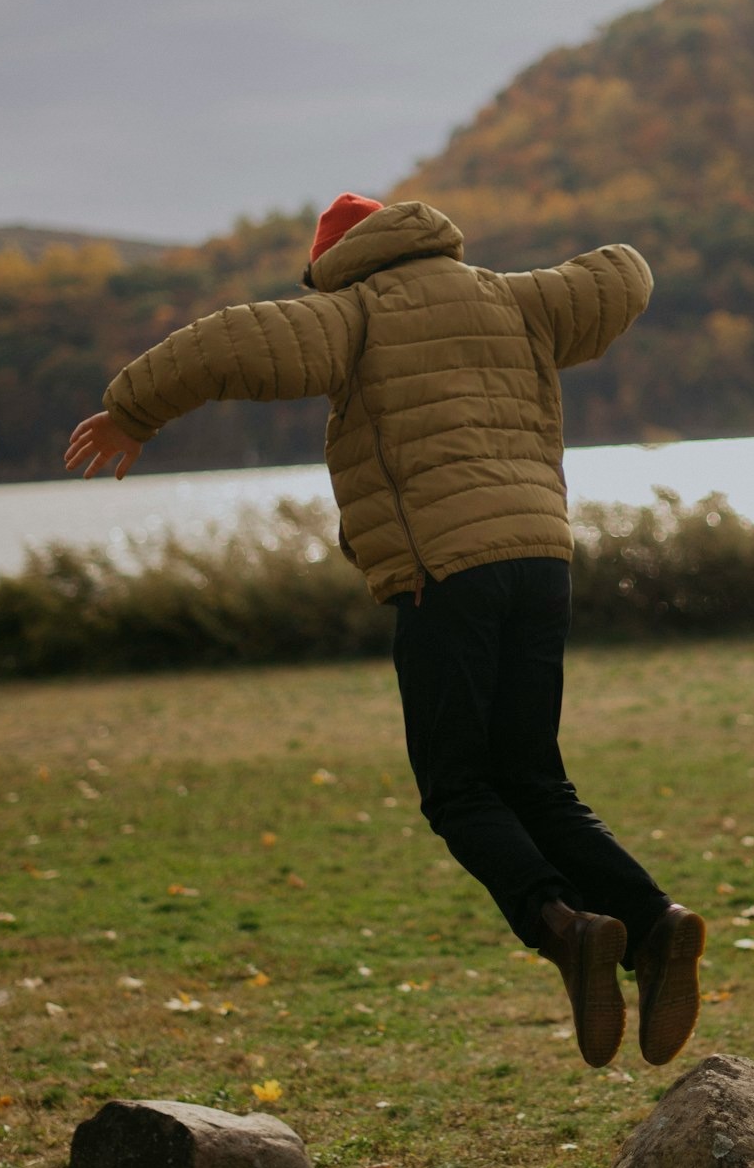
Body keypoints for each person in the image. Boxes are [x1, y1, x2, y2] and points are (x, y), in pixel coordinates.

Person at [65, 193, 706, 1069]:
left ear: (338, 260)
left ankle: (566, 929)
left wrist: (130, 409)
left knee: (457, 789)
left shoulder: (355, 312)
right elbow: (621, 273)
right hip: (541, 561)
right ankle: (658, 926)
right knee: (534, 776)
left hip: (445, 572)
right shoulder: (514, 297)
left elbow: (228, 345)